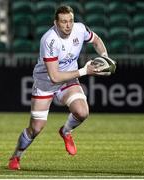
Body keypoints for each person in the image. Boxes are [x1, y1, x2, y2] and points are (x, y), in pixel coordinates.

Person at [8, 5, 109, 170]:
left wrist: (105, 58)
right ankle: (16, 157)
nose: (68, 25)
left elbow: (96, 40)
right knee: (36, 128)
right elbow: (54, 77)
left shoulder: (80, 29)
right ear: (56, 23)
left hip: (68, 81)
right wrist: (84, 71)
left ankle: (66, 131)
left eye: (70, 21)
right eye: (63, 22)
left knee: (82, 112)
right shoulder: (49, 40)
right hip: (46, 83)